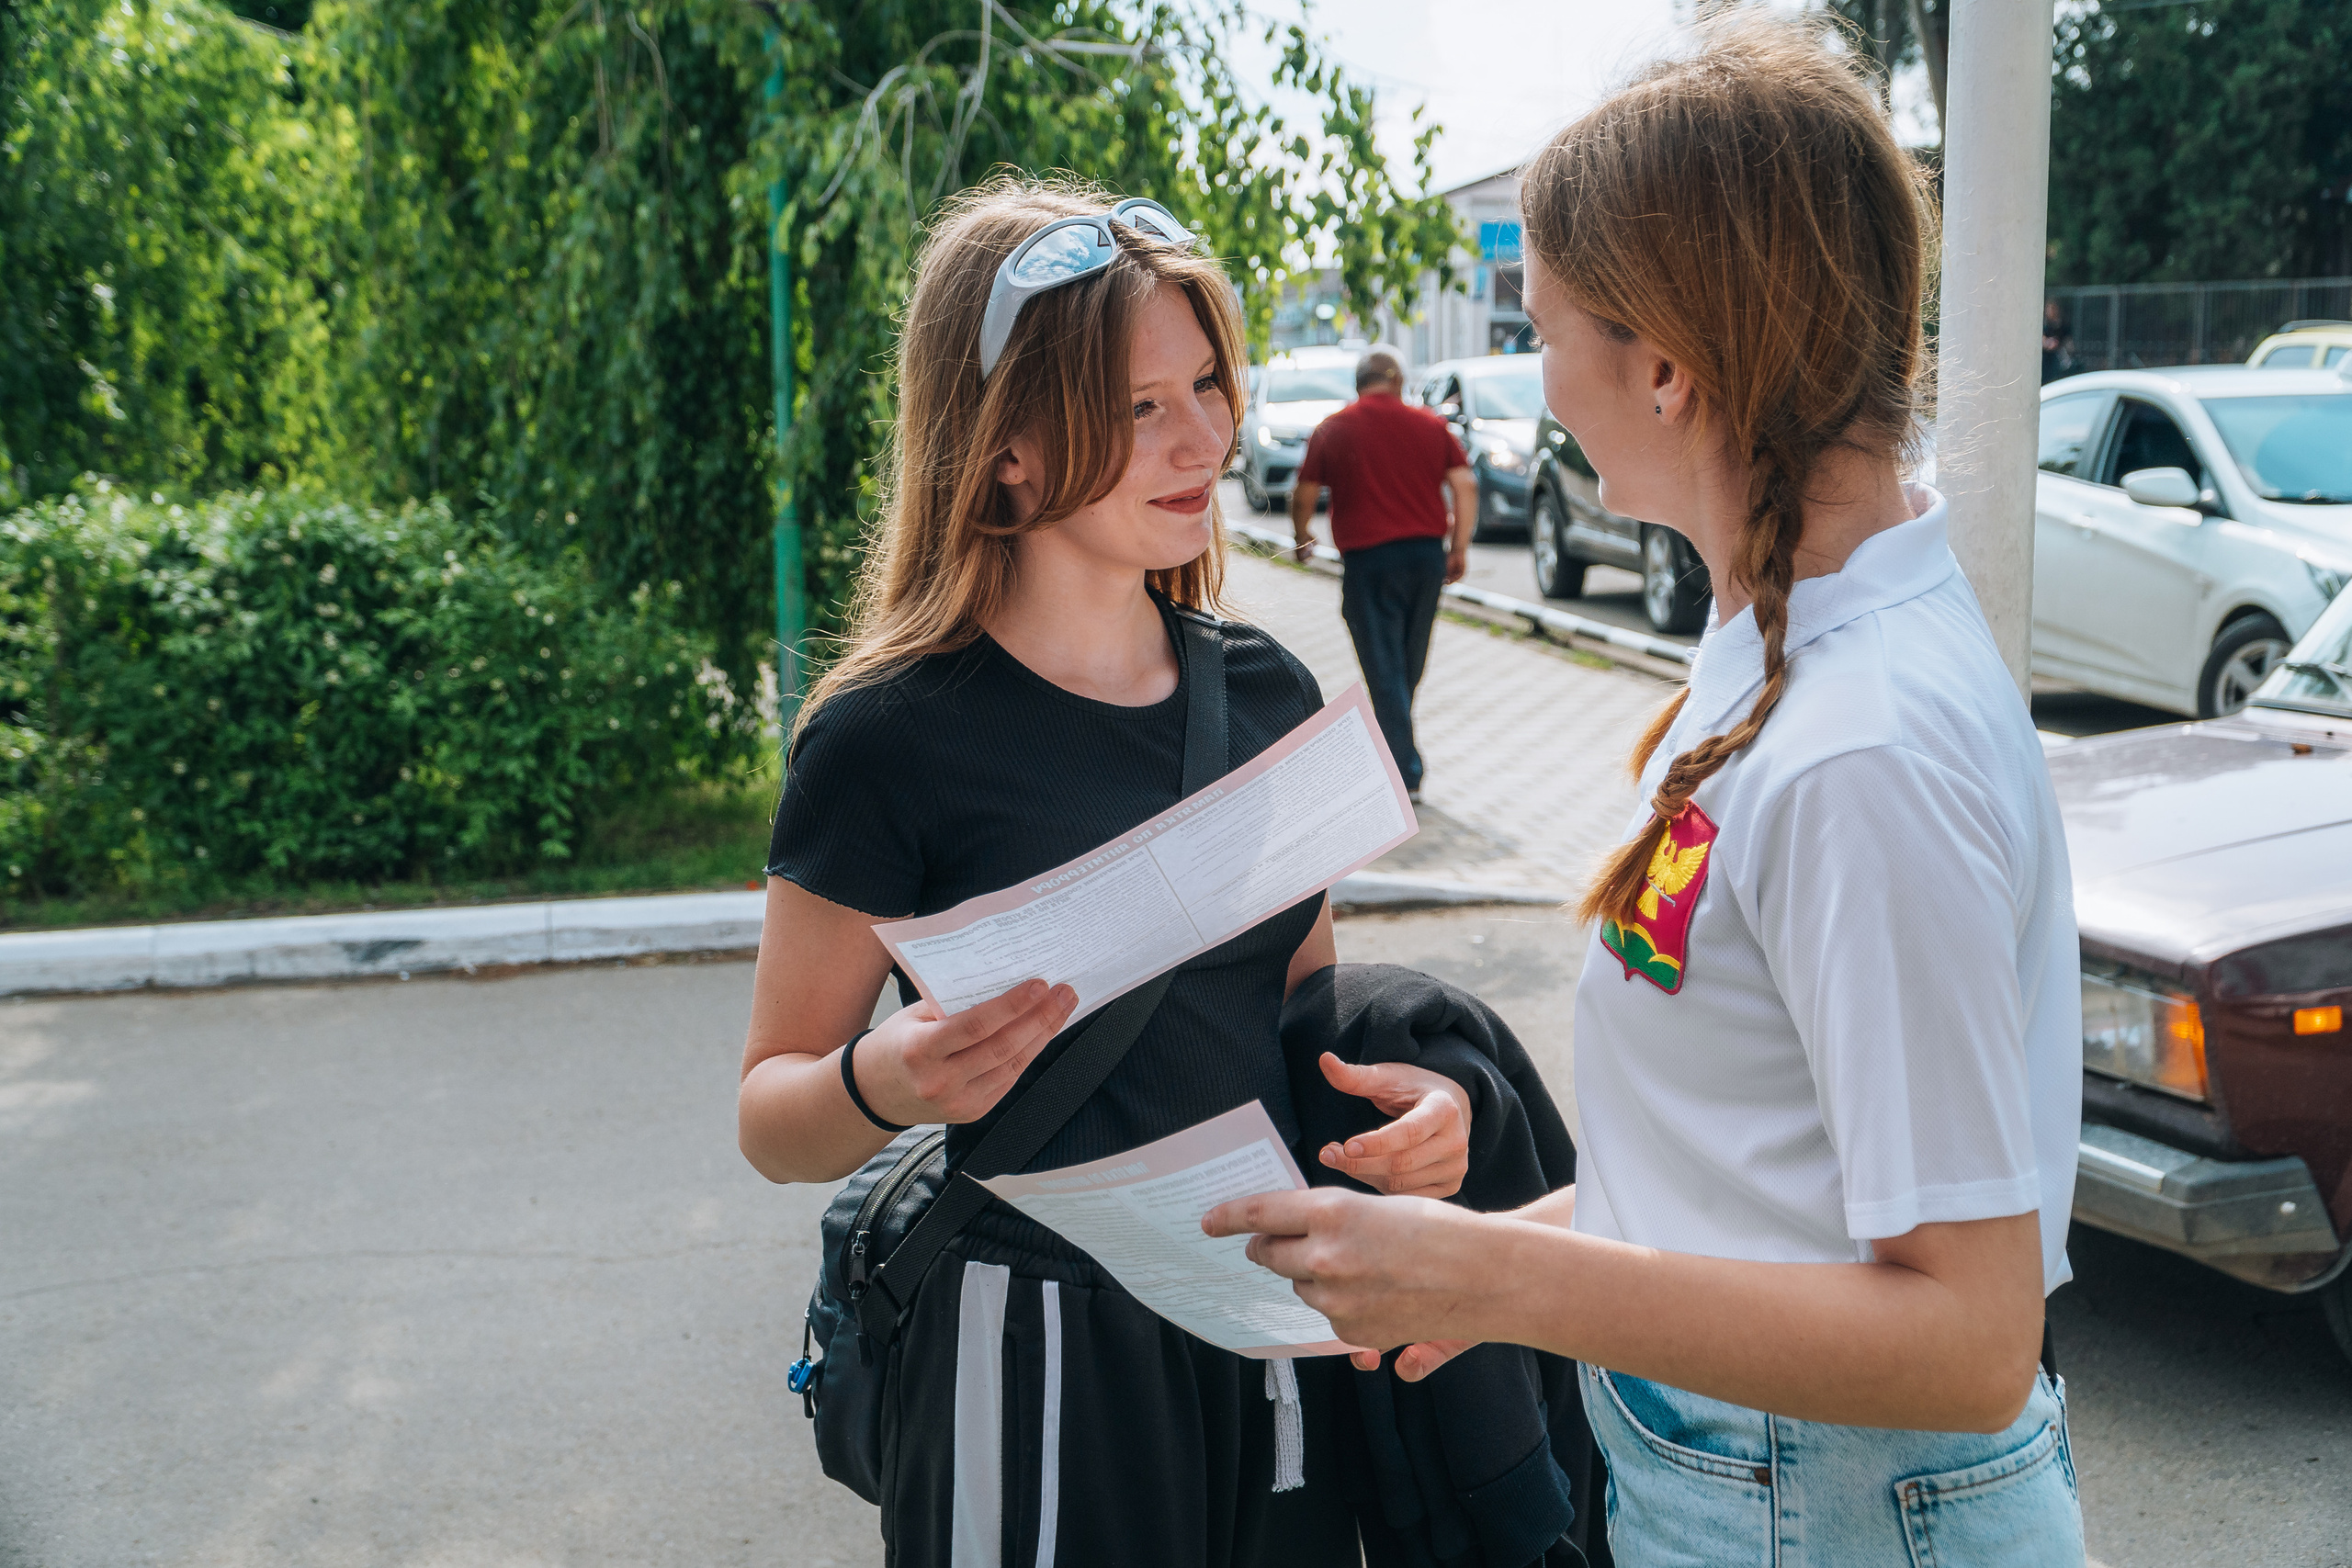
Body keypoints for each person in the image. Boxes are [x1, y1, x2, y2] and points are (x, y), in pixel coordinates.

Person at [1206, 20, 2087, 1565]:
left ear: (1670, 365)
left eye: (1548, 330)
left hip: (1839, 1512)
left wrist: (1494, 1284)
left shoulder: (1864, 746)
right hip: (1766, 1488)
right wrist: (1457, 1254)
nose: (1537, 382)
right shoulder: (1774, 637)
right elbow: (1751, 1192)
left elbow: (1969, 1336)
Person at [737, 176, 1480, 1567]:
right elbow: (771, 1114)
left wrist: (1425, 1109)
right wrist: (882, 1079)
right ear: (1006, 446)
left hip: (1271, 1336)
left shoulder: (1263, 690)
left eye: (1209, 382)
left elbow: (1306, 1015)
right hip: (1027, 1354)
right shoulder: (885, 738)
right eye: (1143, 405)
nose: (1207, 436)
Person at [1288, 350, 1475, 799]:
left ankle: (1404, 771)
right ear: (1399, 381)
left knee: (1384, 665)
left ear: (1359, 383)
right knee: (1407, 661)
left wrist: (1302, 535)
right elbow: (1465, 484)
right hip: (1426, 557)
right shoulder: (1431, 425)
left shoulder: (1333, 428)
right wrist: (1460, 548)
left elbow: (1304, 492)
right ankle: (1396, 755)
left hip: (1369, 562)